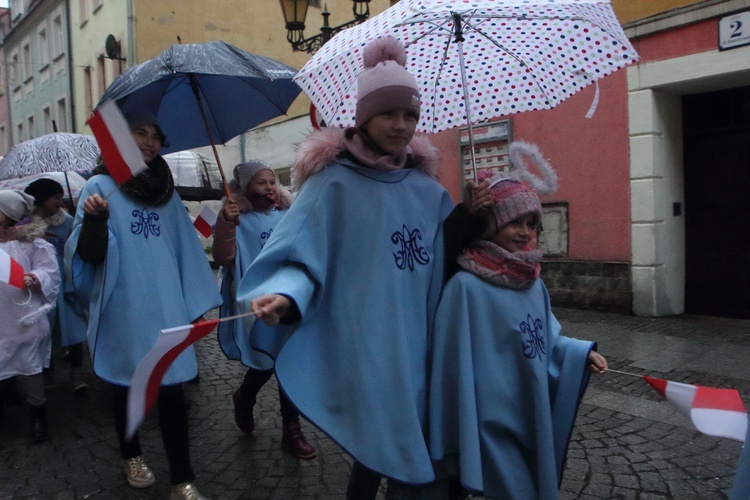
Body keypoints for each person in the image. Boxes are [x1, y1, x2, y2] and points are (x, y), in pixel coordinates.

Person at [236, 36, 490, 499]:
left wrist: (468, 217)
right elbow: (300, 255)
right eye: (389, 113)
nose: (401, 124)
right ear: (363, 116)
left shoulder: (428, 191)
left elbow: (443, 261)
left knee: (399, 440)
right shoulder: (332, 185)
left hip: (421, 341)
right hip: (366, 343)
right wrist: (287, 296)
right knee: (381, 437)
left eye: (410, 114)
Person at [427, 143, 608, 500]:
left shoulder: (531, 281)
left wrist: (577, 355)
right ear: (491, 225)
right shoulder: (467, 285)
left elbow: (546, 334)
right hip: (487, 414)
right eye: (513, 222)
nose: (525, 232)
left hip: (528, 404)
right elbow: (451, 361)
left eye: (532, 224)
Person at [64, 112, 222, 500]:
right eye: (140, 133)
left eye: (156, 136)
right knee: (127, 386)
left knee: (172, 389)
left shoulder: (165, 192)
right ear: (120, 138)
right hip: (125, 305)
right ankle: (131, 454)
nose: (150, 142)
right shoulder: (100, 186)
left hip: (166, 305)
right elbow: (88, 257)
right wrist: (96, 221)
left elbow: (184, 249)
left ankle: (182, 479)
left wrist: (191, 300)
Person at [212, 159, 316, 459]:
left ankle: (291, 430)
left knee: (286, 360)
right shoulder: (236, 217)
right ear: (246, 187)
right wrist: (226, 223)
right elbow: (223, 257)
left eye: (272, 181)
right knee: (265, 362)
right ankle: (245, 397)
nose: (269, 187)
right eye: (261, 182)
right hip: (256, 301)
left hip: (287, 298)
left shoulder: (287, 213)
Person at [0, 190, 59, 443]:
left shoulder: (32, 242)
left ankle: (38, 416)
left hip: (25, 316)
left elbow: (49, 270)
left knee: (30, 367)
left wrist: (34, 278)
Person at [25, 178, 89, 394]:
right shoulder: (26, 225)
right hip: (41, 286)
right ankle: (47, 370)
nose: (59, 202)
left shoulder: (68, 222)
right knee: (44, 329)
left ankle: (77, 373)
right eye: (55, 197)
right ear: (41, 199)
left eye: (61, 197)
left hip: (67, 284)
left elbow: (78, 249)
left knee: (74, 326)